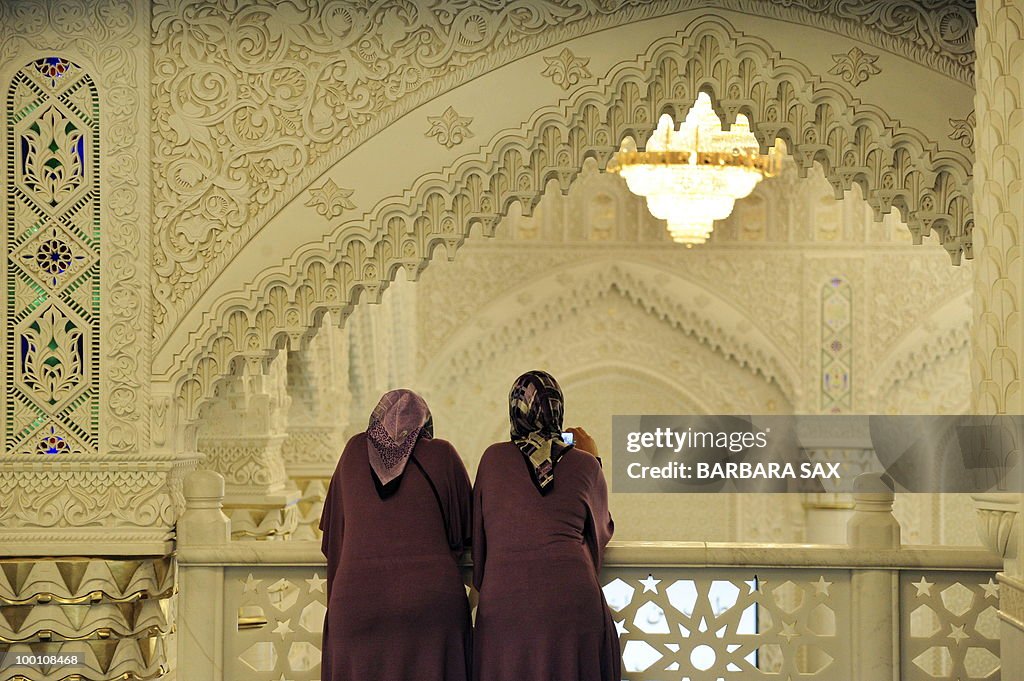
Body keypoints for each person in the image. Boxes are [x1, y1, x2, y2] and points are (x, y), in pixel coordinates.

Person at [471, 370, 620, 681]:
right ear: (557, 409)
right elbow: (601, 532)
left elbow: (479, 539)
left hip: (505, 603)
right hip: (572, 602)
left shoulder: (493, 459)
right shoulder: (584, 464)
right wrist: (594, 459)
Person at [319, 389, 473, 681]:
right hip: (431, 610)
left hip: (357, 606)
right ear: (424, 424)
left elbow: (333, 537)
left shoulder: (353, 450)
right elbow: (465, 533)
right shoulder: (442, 454)